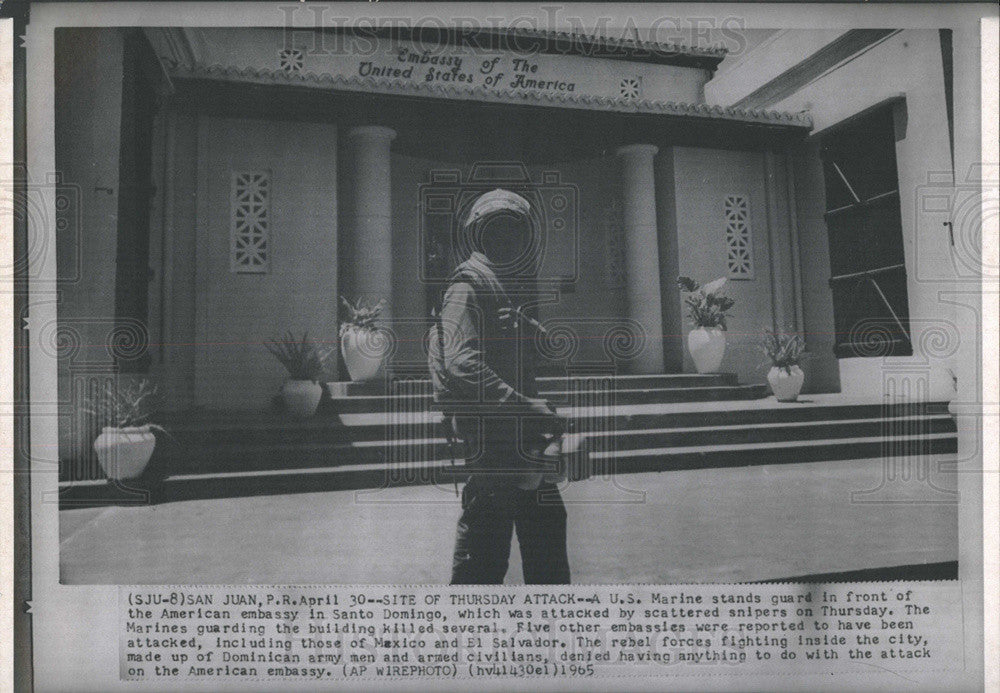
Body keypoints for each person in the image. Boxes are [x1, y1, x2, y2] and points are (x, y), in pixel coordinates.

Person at [428, 188, 571, 585]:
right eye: (497, 228)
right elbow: (462, 364)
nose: (507, 237)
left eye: (515, 228)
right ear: (480, 234)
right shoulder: (468, 287)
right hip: (494, 449)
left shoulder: (500, 284)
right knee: (483, 564)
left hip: (525, 446)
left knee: (548, 552)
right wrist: (527, 406)